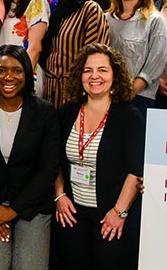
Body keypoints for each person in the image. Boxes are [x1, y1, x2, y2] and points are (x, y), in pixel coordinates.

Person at [0, 45, 60, 270]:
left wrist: (12, 211)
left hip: (32, 205)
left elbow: (48, 169)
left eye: (17, 70)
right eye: (1, 70)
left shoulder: (45, 112)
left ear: (27, 74)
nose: (9, 76)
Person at [53, 43, 145, 270]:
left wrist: (119, 212)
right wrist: (60, 195)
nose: (95, 76)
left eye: (102, 70)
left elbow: (136, 171)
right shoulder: (67, 112)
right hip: (71, 214)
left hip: (111, 217)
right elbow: (53, 160)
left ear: (115, 75)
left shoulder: (129, 116)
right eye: (88, 70)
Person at [40, 0, 111, 108]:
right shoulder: (58, 9)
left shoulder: (90, 9)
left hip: (76, 95)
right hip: (50, 92)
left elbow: (96, 58)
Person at [106, 0, 167, 117]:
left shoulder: (154, 20)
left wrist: (128, 93)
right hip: (105, 98)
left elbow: (155, 64)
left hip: (139, 100)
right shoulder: (105, 19)